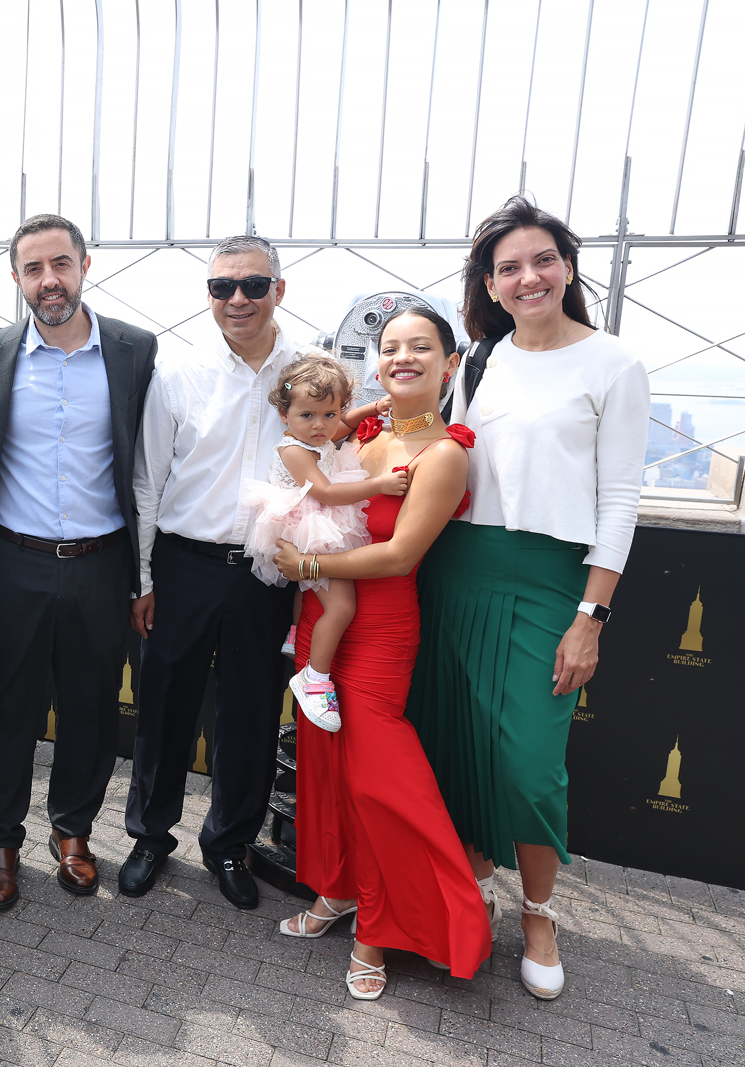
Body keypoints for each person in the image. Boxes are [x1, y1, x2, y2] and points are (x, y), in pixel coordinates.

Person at [405, 195, 650, 1001]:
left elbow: (618, 500)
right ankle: (463, 886)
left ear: (568, 268)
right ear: (491, 283)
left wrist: (592, 615)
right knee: (453, 743)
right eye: (508, 266)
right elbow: (450, 458)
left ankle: (538, 912)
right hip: (458, 570)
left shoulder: (614, 363)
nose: (528, 276)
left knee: (530, 764)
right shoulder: (480, 359)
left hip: (550, 581)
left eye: (542, 260)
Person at [271, 306, 492, 999]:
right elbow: (318, 421)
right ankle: (337, 889)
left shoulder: (445, 454)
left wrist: (308, 568)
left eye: (421, 347)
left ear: (450, 364)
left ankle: (381, 923)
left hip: (380, 627)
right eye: (390, 346)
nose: (403, 356)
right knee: (327, 768)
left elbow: (398, 557)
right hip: (322, 622)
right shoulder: (360, 429)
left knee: (378, 780)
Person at [122, 235, 318, 907]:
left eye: (253, 285)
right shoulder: (177, 373)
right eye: (222, 287)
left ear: (278, 291)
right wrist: (143, 580)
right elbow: (148, 481)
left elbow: (329, 475)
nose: (237, 299)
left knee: (251, 714)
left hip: (267, 571)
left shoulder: (306, 373)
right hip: (183, 563)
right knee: (164, 709)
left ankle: (229, 844)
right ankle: (150, 835)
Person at [0, 214, 158, 910]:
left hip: (101, 562)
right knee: (7, 706)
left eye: (60, 263)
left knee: (90, 705)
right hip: (13, 560)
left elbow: (148, 462)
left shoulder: (135, 349)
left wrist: (144, 573)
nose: (48, 280)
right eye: (32, 268)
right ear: (16, 277)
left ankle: (73, 830)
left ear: (85, 264)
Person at [240, 355, 403, 733]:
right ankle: (315, 678)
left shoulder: (320, 432)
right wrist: (379, 485)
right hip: (309, 524)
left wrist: (371, 408)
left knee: (310, 593)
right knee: (342, 606)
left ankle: (297, 635)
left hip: (316, 520)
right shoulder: (295, 450)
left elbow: (345, 423)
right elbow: (327, 493)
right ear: (284, 415)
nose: (321, 426)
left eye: (329, 415)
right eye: (308, 416)